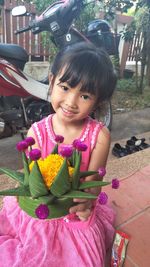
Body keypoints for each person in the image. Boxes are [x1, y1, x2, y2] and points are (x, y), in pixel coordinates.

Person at [0, 42, 117, 267]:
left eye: (85, 96)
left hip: (74, 210)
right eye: (64, 87)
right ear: (52, 82)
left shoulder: (99, 136)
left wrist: (85, 203)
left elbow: (92, 185)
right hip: (44, 207)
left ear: (98, 101)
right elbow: (29, 174)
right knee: (32, 252)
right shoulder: (37, 132)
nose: (71, 102)